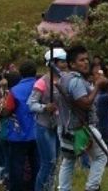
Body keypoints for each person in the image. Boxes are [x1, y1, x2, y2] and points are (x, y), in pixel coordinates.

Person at [53, 46, 108, 191]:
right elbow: (85, 103)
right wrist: (97, 85)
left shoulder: (64, 78)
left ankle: (64, 189)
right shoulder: (76, 81)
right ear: (72, 64)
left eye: (86, 59)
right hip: (81, 128)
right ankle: (92, 187)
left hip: (66, 127)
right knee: (102, 155)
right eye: (81, 60)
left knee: (68, 161)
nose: (86, 63)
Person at [29, 48, 66, 191]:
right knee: (48, 162)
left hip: (59, 125)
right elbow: (31, 104)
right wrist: (45, 107)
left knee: (56, 161)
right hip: (44, 126)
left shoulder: (64, 79)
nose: (64, 64)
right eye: (61, 62)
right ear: (53, 63)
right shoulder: (42, 82)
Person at [2, 61, 39, 191]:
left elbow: (7, 110)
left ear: (21, 74)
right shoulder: (41, 87)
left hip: (18, 135)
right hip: (38, 133)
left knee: (16, 167)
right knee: (37, 166)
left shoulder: (15, 90)